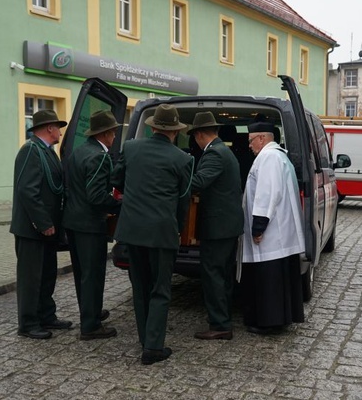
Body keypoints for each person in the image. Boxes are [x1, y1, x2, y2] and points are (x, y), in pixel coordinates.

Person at [112, 104, 193, 365]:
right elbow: (183, 200)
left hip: (132, 231)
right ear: (174, 131)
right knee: (160, 288)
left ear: (154, 127)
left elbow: (116, 179)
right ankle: (153, 348)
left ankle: (144, 338)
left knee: (140, 286)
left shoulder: (131, 148)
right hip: (162, 232)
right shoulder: (183, 159)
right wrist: (178, 228)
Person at [10, 109, 74, 340]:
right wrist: (43, 222)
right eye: (58, 127)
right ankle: (27, 324)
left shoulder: (47, 152)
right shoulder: (30, 150)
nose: (60, 131)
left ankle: (46, 315)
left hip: (47, 229)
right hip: (32, 229)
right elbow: (28, 191)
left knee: (47, 275)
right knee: (31, 278)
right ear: (49, 128)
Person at [240, 122, 305, 334]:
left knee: (270, 281)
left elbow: (267, 195)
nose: (249, 145)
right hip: (280, 234)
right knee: (280, 279)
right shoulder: (279, 156)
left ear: (261, 138)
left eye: (250, 140)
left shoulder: (268, 158)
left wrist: (258, 227)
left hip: (271, 234)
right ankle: (280, 319)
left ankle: (270, 322)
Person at [62, 110, 121, 340]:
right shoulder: (99, 156)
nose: (115, 137)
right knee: (93, 274)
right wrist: (117, 204)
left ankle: (91, 311)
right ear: (105, 134)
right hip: (89, 224)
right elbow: (96, 196)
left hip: (74, 222)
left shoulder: (79, 151)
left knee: (82, 273)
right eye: (114, 133)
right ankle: (90, 325)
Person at [188, 112, 243, 340]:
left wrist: (171, 175)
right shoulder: (223, 150)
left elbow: (198, 182)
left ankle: (220, 324)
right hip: (227, 225)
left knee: (213, 275)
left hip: (218, 226)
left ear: (200, 134)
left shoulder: (213, 154)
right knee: (223, 274)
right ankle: (223, 318)